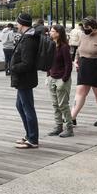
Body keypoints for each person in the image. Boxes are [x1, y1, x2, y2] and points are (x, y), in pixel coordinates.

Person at [11, 13, 40, 148]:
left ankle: (33, 139)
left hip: (25, 79)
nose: (16, 25)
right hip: (23, 79)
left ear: (22, 24)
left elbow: (27, 63)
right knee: (20, 106)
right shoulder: (27, 36)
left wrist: (13, 67)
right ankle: (29, 134)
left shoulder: (28, 39)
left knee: (28, 108)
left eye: (17, 23)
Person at [46, 24, 74, 138]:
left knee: (63, 105)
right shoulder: (51, 45)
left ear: (58, 33)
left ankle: (69, 128)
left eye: (52, 31)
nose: (50, 33)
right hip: (52, 78)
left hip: (62, 79)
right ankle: (58, 126)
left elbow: (68, 65)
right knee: (55, 104)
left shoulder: (64, 47)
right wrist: (48, 75)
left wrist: (64, 79)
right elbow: (48, 61)